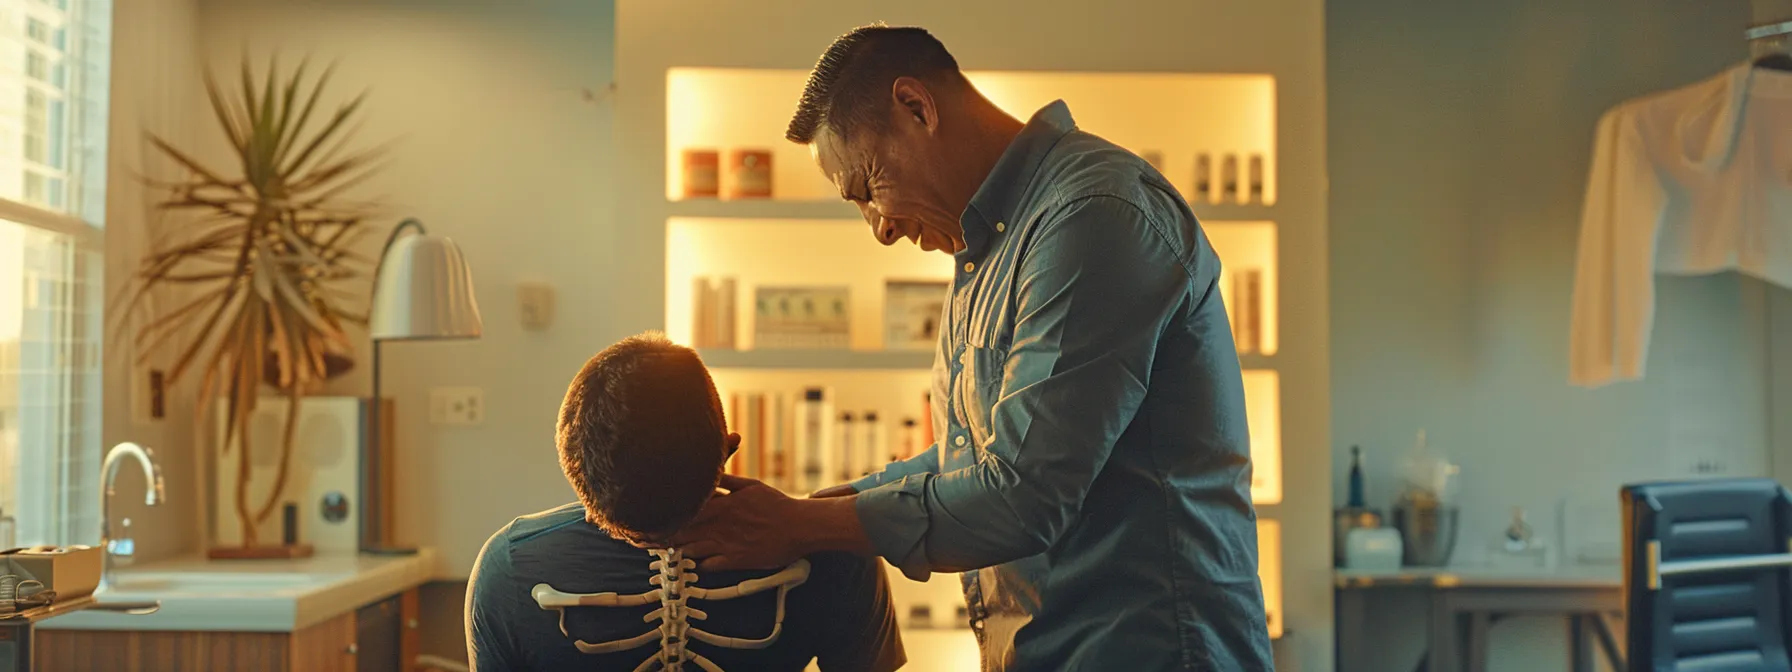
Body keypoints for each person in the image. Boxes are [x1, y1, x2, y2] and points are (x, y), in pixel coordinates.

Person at [668, 24, 1274, 671]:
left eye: (868, 188)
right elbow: (975, 456)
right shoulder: (987, 251)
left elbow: (1022, 492)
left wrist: (807, 528)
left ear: (916, 107)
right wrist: (810, 511)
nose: (880, 228)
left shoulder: (1094, 217)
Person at [465, 334, 905, 671]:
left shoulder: (511, 565)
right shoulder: (831, 551)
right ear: (729, 451)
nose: (665, 542)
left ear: (573, 466)